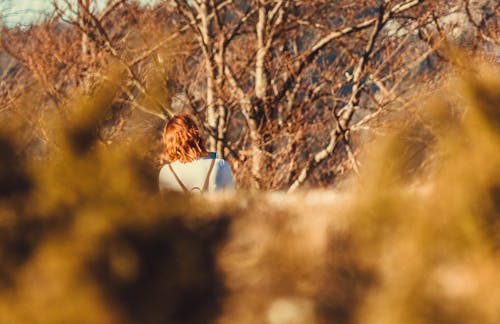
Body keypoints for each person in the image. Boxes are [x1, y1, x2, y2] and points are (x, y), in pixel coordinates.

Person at [158, 112, 235, 193]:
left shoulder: (166, 173)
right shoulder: (220, 165)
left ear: (169, 142)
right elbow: (232, 204)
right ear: (196, 135)